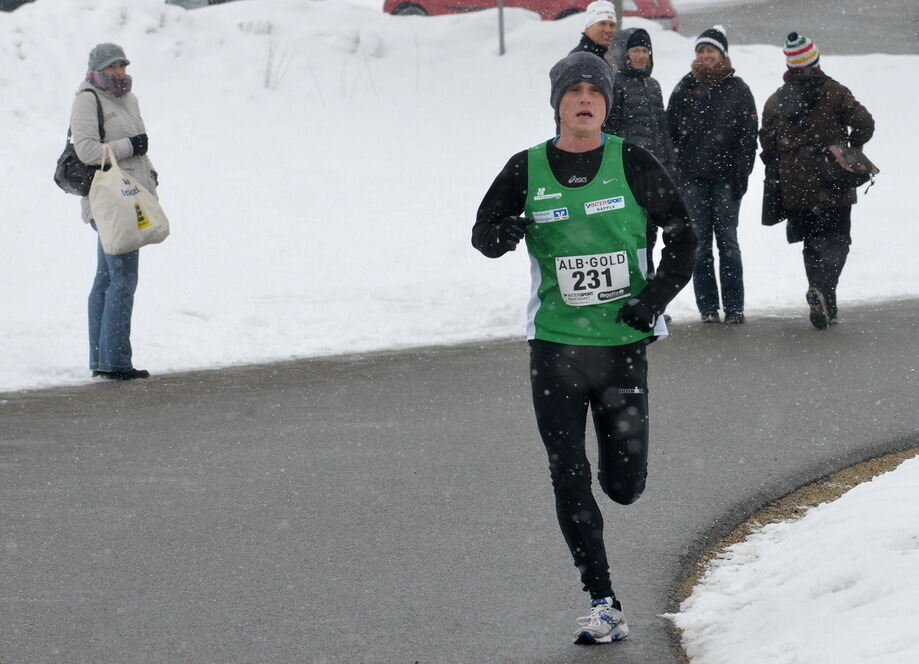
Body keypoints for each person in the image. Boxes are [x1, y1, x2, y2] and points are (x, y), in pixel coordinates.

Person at [472, 52, 696, 645]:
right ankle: (603, 601)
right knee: (567, 474)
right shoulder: (526, 167)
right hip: (555, 348)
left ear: (606, 103)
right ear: (557, 104)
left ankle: (620, 477)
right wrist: (506, 231)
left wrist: (651, 301)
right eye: (572, 91)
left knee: (623, 485)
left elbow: (684, 238)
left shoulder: (633, 161)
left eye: (593, 91)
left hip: (623, 345)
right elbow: (483, 235)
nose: (584, 99)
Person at [760, 33, 874, 329]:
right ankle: (822, 291)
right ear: (815, 60)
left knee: (812, 243)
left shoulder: (775, 100)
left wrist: (789, 161)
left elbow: (768, 145)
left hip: (796, 185)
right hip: (832, 178)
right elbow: (864, 123)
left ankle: (825, 302)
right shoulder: (834, 92)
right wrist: (852, 148)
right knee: (838, 239)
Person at [71, 43, 157, 380]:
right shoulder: (87, 98)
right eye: (112, 67)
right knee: (123, 279)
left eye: (122, 65)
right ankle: (116, 362)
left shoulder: (128, 99)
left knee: (107, 278)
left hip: (130, 197)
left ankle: (102, 360)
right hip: (108, 202)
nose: (119, 72)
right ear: (97, 69)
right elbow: (87, 150)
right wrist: (130, 147)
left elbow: (140, 148)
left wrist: (148, 174)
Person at [668, 26, 758, 324]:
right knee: (700, 244)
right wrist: (679, 172)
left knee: (728, 243)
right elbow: (671, 135)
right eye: (700, 51)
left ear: (722, 54)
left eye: (710, 50)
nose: (705, 55)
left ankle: (734, 307)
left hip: (727, 180)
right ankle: (707, 307)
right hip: (692, 180)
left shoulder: (738, 88)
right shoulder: (685, 87)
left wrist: (741, 173)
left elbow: (748, 136)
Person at [606, 28, 676, 275]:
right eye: (635, 50)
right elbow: (610, 129)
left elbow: (663, 131)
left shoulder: (653, 85)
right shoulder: (616, 84)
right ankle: (637, 291)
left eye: (645, 50)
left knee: (653, 237)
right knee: (635, 237)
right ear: (624, 53)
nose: (640, 55)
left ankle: (652, 297)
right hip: (630, 174)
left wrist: (670, 167)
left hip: (656, 173)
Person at [569, 0, 618, 73]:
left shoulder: (600, 58)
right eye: (602, 23)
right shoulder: (580, 60)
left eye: (612, 25)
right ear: (588, 28)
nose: (608, 30)